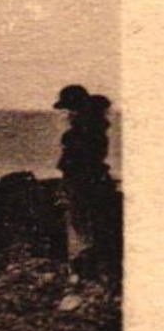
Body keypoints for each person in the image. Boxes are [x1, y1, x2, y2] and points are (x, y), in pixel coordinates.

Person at [54, 84, 119, 285]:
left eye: (68, 109)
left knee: (82, 229)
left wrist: (70, 179)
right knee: (88, 229)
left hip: (82, 185)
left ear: (77, 109)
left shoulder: (81, 132)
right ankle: (88, 274)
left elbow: (75, 162)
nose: (65, 115)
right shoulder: (94, 129)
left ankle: (84, 275)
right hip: (92, 182)